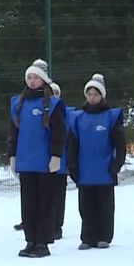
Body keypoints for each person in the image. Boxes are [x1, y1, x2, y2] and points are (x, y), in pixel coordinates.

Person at [9, 59, 66, 258]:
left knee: (45, 202)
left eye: (36, 77)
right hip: (26, 162)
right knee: (28, 203)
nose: (32, 81)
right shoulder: (18, 103)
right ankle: (30, 240)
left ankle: (43, 242)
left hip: (44, 162)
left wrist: (56, 155)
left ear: (44, 80)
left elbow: (59, 132)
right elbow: (14, 132)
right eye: (29, 77)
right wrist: (12, 155)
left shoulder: (53, 104)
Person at [68, 73, 126, 250]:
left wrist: (115, 165)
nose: (92, 97)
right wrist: (73, 167)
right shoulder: (77, 118)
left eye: (96, 94)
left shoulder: (110, 117)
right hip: (85, 170)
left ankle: (104, 236)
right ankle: (88, 237)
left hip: (105, 171)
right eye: (89, 94)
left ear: (102, 96)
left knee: (105, 206)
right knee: (86, 206)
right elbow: (72, 145)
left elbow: (120, 145)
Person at [49, 81, 74, 242]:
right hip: (45, 163)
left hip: (61, 163)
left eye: (56, 93)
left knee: (59, 196)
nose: (54, 96)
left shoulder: (67, 114)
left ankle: (57, 226)